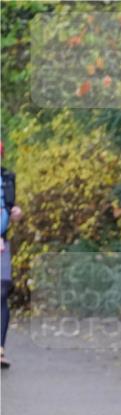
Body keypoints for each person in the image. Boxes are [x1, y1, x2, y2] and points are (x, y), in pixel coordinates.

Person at [1, 140, 23, 369]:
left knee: (2, 289)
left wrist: (16, 211)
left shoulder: (8, 178)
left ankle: (0, 349)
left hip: (1, 243)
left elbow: (10, 206)